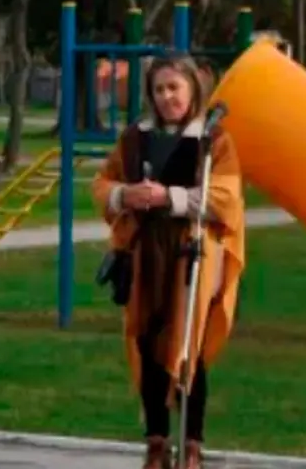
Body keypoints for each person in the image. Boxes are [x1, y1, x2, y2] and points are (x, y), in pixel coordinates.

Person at [91, 55, 246, 469]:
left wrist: (168, 198)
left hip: (191, 251)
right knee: (146, 338)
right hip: (145, 251)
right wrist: (126, 195)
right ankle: (156, 442)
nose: (167, 97)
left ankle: (191, 443)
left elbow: (224, 199)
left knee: (187, 345)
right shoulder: (135, 138)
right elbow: (103, 184)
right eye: (159, 90)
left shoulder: (214, 140)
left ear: (192, 88)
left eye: (174, 87)